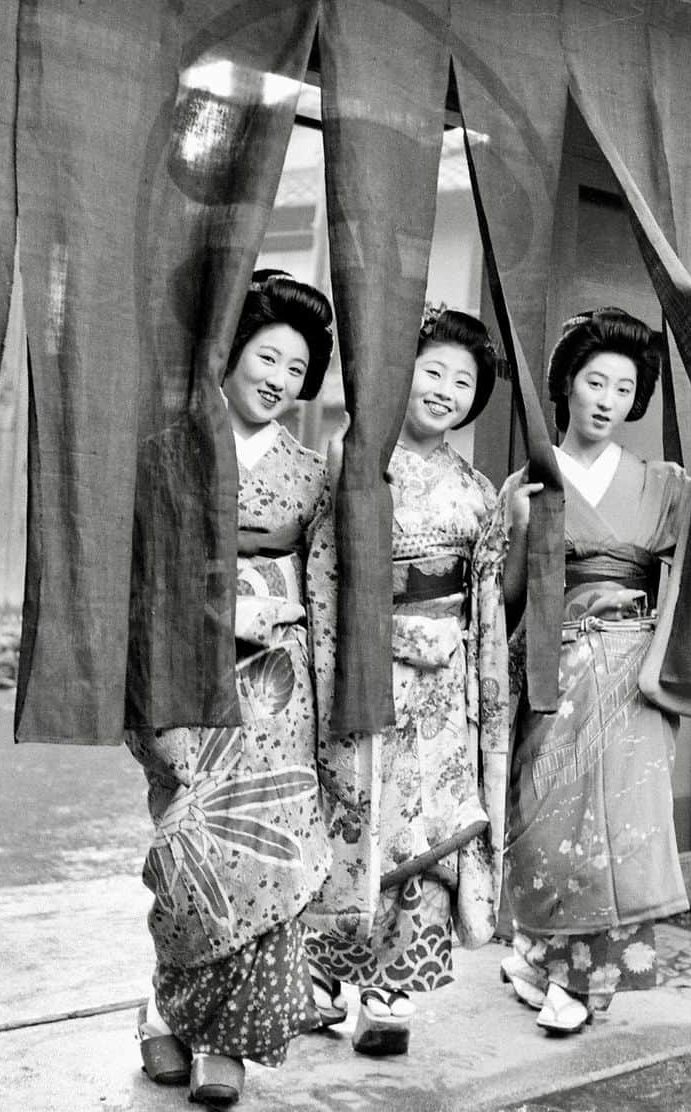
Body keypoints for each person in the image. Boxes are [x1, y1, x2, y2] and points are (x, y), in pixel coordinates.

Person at [128, 271, 337, 1105]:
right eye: (267, 356)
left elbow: (321, 587)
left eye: (297, 367)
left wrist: (271, 610)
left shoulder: (312, 474)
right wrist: (215, 612)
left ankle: (227, 1041)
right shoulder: (168, 452)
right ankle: (161, 1009)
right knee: (187, 857)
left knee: (266, 863)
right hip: (186, 683)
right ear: (231, 353)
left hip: (277, 690)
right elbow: (143, 579)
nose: (280, 379)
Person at [304, 306, 509, 1056]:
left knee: (426, 835)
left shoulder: (480, 492)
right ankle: (323, 980)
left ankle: (391, 993)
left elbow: (489, 603)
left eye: (464, 380)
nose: (447, 389)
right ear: (400, 373)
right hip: (365, 664)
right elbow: (325, 569)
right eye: (433, 370)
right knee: (350, 815)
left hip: (442, 686)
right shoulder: (354, 459)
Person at [498, 307, 691, 1036]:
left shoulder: (663, 483)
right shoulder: (531, 478)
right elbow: (509, 598)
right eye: (594, 381)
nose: (608, 399)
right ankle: (542, 954)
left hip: (632, 668)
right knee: (545, 819)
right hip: (553, 666)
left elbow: (690, 578)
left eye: (623, 385)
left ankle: (588, 983)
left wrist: (663, 659)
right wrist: (519, 529)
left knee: (618, 830)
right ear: (567, 386)